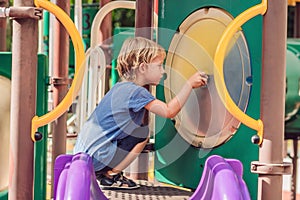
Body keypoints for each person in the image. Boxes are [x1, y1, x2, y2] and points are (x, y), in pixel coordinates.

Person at [73, 37, 208, 189]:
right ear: (143, 68)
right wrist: (189, 84)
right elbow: (169, 111)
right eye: (159, 66)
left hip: (82, 156)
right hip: (98, 157)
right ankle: (111, 176)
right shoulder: (136, 92)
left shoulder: (119, 87)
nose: (163, 71)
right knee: (142, 134)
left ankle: (106, 173)